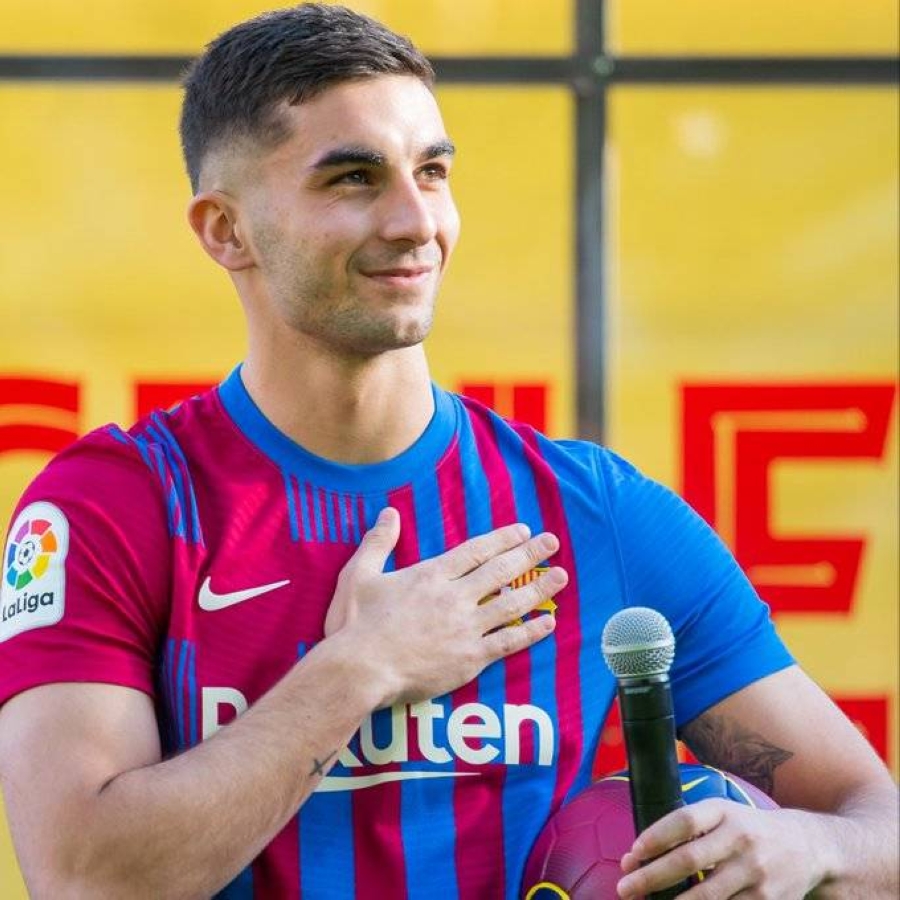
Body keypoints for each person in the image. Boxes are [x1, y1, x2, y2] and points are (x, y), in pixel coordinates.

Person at [0, 4, 895, 898]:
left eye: (432, 171)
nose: (413, 220)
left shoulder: (598, 513)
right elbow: (84, 882)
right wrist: (360, 669)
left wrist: (805, 848)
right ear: (225, 230)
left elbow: (875, 825)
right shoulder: (114, 507)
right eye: (353, 178)